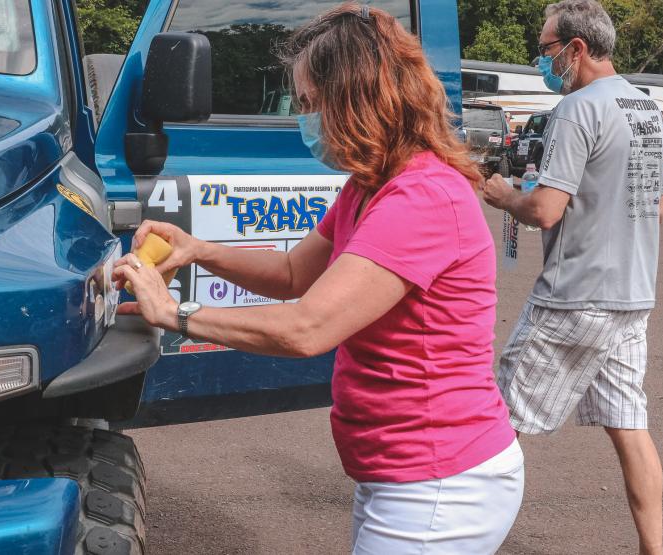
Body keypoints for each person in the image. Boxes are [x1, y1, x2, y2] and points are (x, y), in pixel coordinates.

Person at [115, 4, 523, 553]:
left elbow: (308, 328)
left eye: (309, 102)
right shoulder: (369, 186)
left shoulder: (421, 197)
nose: (304, 117)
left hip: (439, 481)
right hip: (405, 474)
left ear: (357, 97)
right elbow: (291, 274)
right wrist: (198, 250)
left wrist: (174, 314)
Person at [480, 1, 663, 554]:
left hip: (575, 295)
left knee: (497, 422)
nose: (542, 60)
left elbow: (544, 211)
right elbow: (655, 205)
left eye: (545, 49)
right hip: (633, 296)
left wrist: (502, 195)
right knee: (629, 425)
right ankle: (653, 551)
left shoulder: (577, 109)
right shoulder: (647, 109)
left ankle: (460, 536)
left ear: (575, 49)